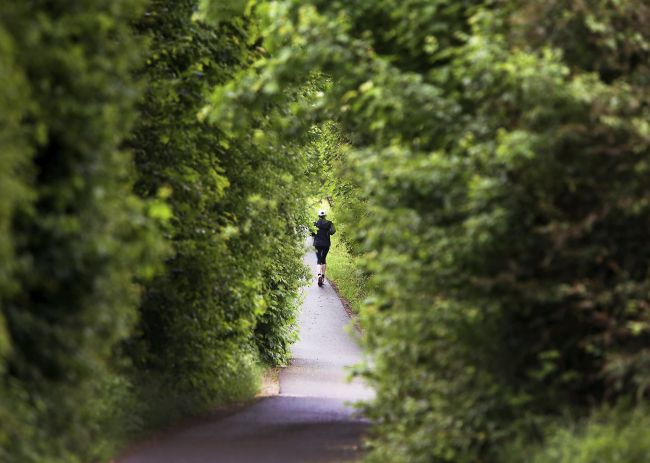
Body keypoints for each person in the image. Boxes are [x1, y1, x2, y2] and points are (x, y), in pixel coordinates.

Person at [312, 210, 335, 287]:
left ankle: (319, 275)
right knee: (323, 259)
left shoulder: (315, 223)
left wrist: (315, 235)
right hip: (326, 243)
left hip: (317, 243)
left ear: (318, 216)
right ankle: (323, 276)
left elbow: (311, 232)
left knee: (318, 259)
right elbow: (333, 231)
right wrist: (328, 233)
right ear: (325, 216)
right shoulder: (329, 223)